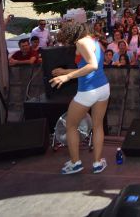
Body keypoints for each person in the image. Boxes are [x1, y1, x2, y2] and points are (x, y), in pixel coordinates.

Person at [49, 21, 109, 175]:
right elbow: (89, 67)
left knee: (70, 126)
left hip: (88, 91)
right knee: (97, 125)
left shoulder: (81, 42)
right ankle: (97, 163)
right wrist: (65, 71)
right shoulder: (95, 41)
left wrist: (67, 77)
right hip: (103, 88)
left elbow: (92, 65)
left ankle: (75, 163)